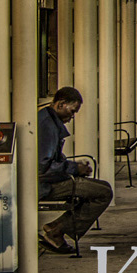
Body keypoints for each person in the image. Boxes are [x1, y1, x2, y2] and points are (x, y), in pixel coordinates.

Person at [38, 87, 113, 254]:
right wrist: (74, 168)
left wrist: (73, 166)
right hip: (44, 185)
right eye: (72, 111)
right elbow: (42, 167)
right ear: (61, 104)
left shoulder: (47, 119)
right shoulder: (47, 126)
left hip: (48, 180)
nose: (72, 117)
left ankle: (57, 228)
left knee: (101, 188)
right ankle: (57, 231)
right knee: (103, 192)